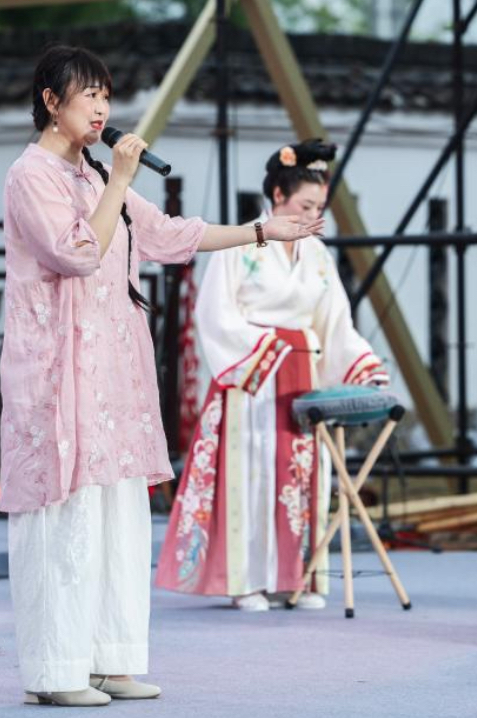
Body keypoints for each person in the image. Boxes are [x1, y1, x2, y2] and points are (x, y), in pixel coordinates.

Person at [0, 45, 321, 708]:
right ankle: (56, 671)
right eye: (89, 95)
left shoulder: (95, 176)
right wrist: (118, 180)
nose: (101, 109)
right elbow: (75, 253)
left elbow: (170, 236)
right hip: (58, 375)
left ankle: (110, 659)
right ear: (51, 102)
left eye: (106, 96)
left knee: (117, 513)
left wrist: (264, 231)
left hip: (112, 371)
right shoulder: (30, 176)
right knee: (66, 519)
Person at [154, 139, 387, 612]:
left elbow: (335, 320)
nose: (313, 215)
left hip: (303, 373)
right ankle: (246, 580)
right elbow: (215, 312)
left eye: (319, 207)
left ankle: (295, 579)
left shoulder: (317, 254)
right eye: (305, 205)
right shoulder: (242, 242)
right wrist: (263, 350)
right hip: (254, 373)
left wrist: (363, 364)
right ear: (278, 196)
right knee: (252, 477)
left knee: (300, 478)